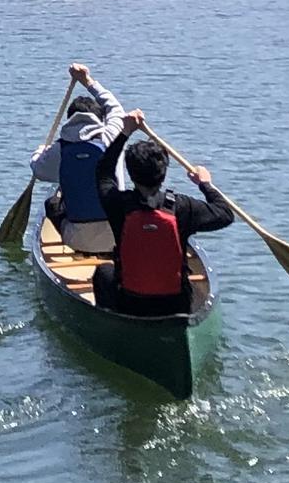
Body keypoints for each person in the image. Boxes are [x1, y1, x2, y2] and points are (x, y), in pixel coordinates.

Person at [91, 132, 236, 317]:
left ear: (130, 173)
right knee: (196, 288)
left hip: (129, 302)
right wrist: (206, 184)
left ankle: (114, 323)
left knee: (103, 272)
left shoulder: (117, 203)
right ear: (164, 172)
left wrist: (125, 132)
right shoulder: (183, 207)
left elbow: (103, 172)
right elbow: (225, 214)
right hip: (176, 305)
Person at [33, 63, 133, 255]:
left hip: (76, 240)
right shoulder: (111, 135)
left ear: (70, 119)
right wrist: (88, 81)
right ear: (100, 119)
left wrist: (40, 152)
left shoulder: (60, 148)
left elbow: (38, 170)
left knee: (51, 204)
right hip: (117, 234)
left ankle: (73, 252)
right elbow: (115, 108)